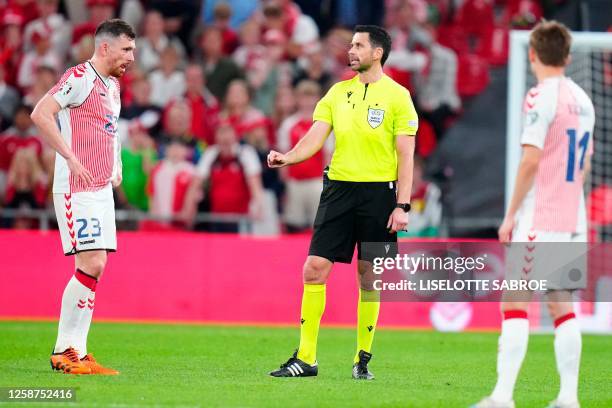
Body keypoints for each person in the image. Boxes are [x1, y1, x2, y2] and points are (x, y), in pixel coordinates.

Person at [267, 25, 418, 379]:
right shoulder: (336, 93)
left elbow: (406, 154)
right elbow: (315, 137)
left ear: (377, 52)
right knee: (313, 269)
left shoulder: (398, 96)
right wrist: (288, 157)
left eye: (358, 45)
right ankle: (306, 358)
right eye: (351, 45)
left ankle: (362, 358)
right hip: (338, 191)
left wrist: (403, 205)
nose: (351, 51)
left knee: (369, 278)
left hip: (381, 195)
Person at [472, 21, 595, 408]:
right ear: (568, 56)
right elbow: (587, 162)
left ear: (532, 54)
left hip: (540, 219)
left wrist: (510, 216)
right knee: (562, 306)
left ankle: (502, 397)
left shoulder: (540, 96)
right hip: (573, 218)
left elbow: (530, 161)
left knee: (514, 303)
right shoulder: (584, 99)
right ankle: (568, 399)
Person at [30, 18, 136, 375]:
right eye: (126, 49)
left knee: (96, 267)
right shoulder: (79, 78)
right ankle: (64, 349)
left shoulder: (113, 86)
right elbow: (41, 113)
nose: (132, 57)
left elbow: (110, 129)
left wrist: (117, 163)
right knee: (91, 264)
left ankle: (78, 349)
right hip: (77, 187)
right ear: (104, 47)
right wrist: (70, 157)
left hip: (101, 187)